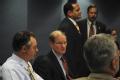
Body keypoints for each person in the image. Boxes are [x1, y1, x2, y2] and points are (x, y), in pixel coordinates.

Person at [58, 2, 89, 78]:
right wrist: (72, 74)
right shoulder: (66, 27)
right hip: (74, 73)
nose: (80, 12)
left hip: (79, 70)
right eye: (77, 10)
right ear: (69, 13)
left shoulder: (73, 24)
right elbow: (68, 53)